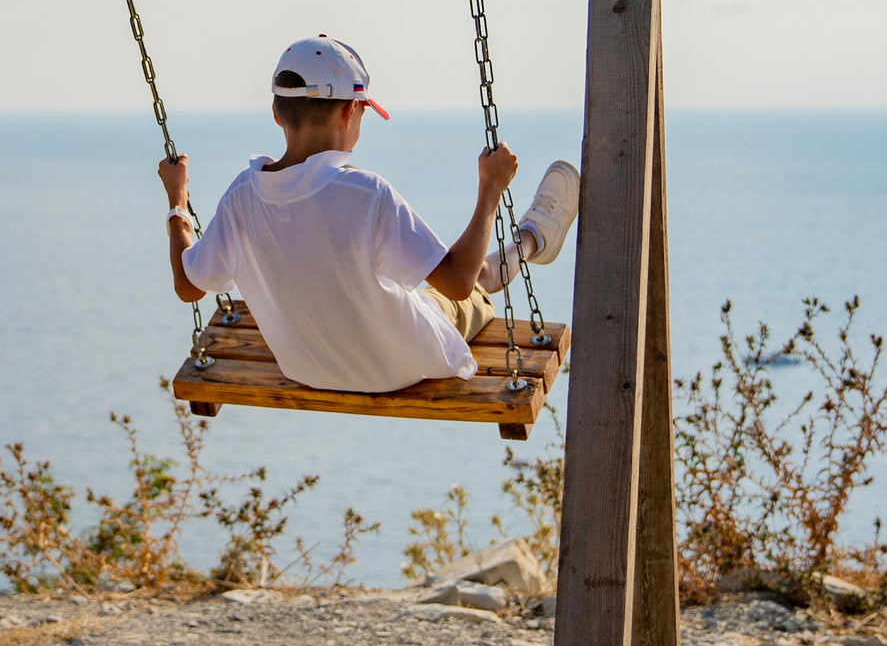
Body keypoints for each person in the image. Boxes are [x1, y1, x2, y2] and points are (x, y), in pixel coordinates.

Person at [157, 35, 579, 394]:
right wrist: (490, 188)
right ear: (348, 112)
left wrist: (178, 198)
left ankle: (532, 237)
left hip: (307, 369)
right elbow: (457, 282)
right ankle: (534, 236)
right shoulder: (367, 194)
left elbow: (187, 286)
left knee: (414, 281)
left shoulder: (241, 198)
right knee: (479, 282)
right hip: (400, 368)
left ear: (276, 114)